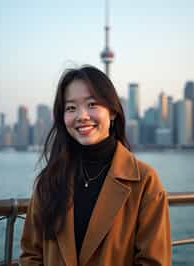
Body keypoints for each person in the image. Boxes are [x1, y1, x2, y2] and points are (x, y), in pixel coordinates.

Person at [20, 65, 172, 266]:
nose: (82, 116)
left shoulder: (145, 182)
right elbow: (31, 255)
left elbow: (155, 261)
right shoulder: (50, 181)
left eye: (92, 104)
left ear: (112, 112)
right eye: (71, 108)